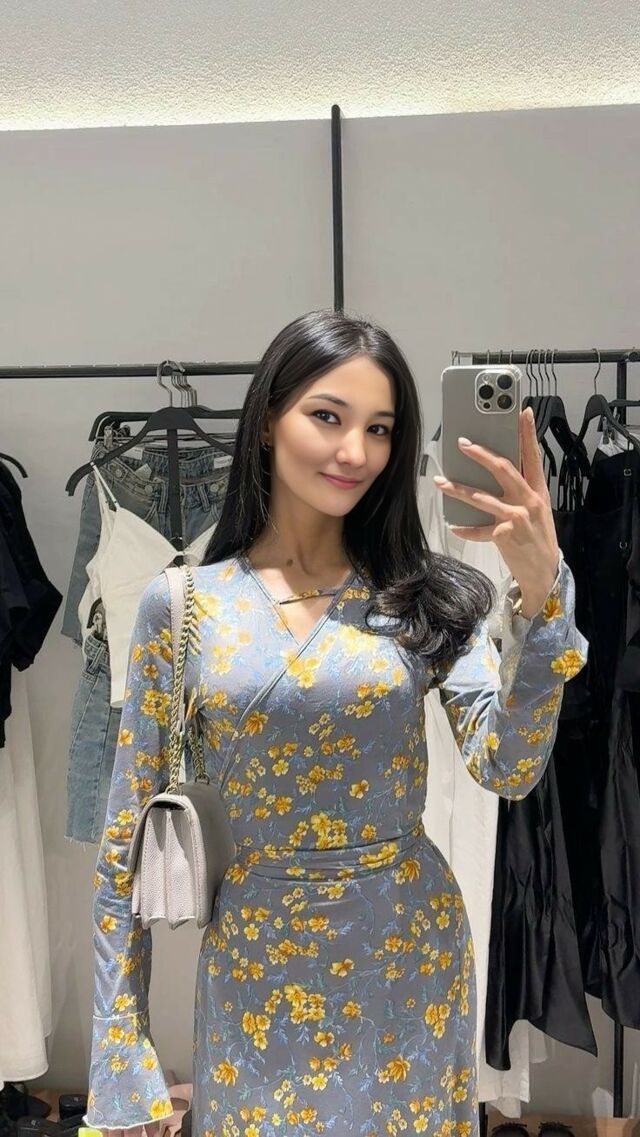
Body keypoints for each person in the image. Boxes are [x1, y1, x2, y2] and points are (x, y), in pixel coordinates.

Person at [85, 309, 587, 1136]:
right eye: (328, 416)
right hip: (256, 969)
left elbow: (510, 765)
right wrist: (121, 1056)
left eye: (379, 428)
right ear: (267, 420)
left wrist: (542, 592)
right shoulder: (184, 606)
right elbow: (121, 847)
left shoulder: (426, 596)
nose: (356, 450)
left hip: (407, 960)